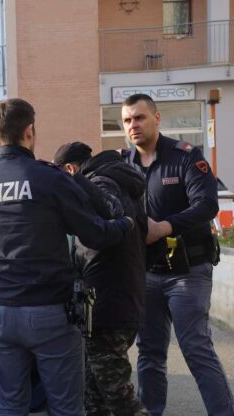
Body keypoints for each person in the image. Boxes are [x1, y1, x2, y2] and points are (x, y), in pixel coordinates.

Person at [0, 98, 135, 415]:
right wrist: (127, 224)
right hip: (48, 311)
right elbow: (95, 234)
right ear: (29, 130)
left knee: (11, 403)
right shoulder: (48, 178)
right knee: (65, 407)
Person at [121, 93, 234, 416]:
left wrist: (166, 226)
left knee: (196, 348)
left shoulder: (185, 157)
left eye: (140, 118)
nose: (133, 125)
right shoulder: (124, 166)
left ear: (157, 118)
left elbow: (207, 205)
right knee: (149, 353)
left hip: (188, 272)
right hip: (146, 273)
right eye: (128, 120)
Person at [54, 142, 148, 416]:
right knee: (95, 395)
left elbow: (112, 211)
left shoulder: (102, 183)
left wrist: (78, 183)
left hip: (107, 303)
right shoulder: (116, 179)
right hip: (118, 296)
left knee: (116, 393)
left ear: (71, 169)